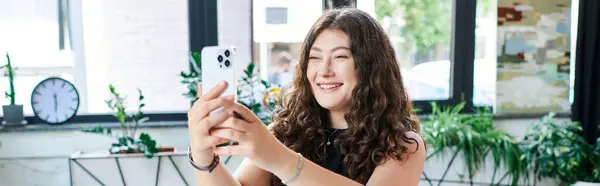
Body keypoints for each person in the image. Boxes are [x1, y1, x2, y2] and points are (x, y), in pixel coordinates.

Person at [187, 8, 426, 186]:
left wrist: (279, 158)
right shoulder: (284, 132)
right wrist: (203, 155)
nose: (324, 71)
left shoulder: (402, 145)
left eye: (341, 57)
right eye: (315, 58)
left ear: (371, 67)